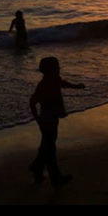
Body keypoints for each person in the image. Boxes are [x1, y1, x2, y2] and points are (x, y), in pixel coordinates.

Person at [28, 56, 85, 188]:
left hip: (51, 118)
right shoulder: (43, 85)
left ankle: (37, 168)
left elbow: (63, 83)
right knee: (50, 149)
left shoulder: (55, 79)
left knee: (46, 146)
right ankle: (55, 178)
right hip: (47, 119)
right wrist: (38, 120)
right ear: (50, 70)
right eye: (57, 67)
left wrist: (77, 86)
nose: (59, 69)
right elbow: (32, 102)